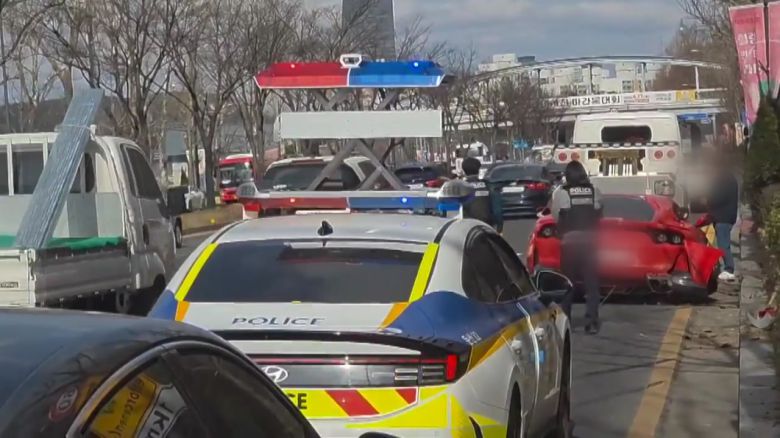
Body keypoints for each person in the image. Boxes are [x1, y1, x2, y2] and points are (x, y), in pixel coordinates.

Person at [551, 160, 603, 335]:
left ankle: (566, 322)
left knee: (568, 284)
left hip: (569, 243)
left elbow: (556, 216)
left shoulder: (562, 193)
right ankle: (592, 322)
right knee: (591, 285)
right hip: (590, 242)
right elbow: (599, 213)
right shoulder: (594, 191)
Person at [706, 153, 739, 282]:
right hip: (727, 216)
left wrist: (708, 199)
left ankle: (729, 269)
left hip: (723, 217)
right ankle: (724, 267)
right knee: (722, 243)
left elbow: (717, 197)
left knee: (723, 245)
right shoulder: (730, 178)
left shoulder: (722, 179)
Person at [460, 157, 504, 233]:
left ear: (464, 171)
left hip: (467, 228)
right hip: (486, 226)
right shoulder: (487, 185)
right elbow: (496, 208)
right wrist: (499, 225)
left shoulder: (460, 187)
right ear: (478, 170)